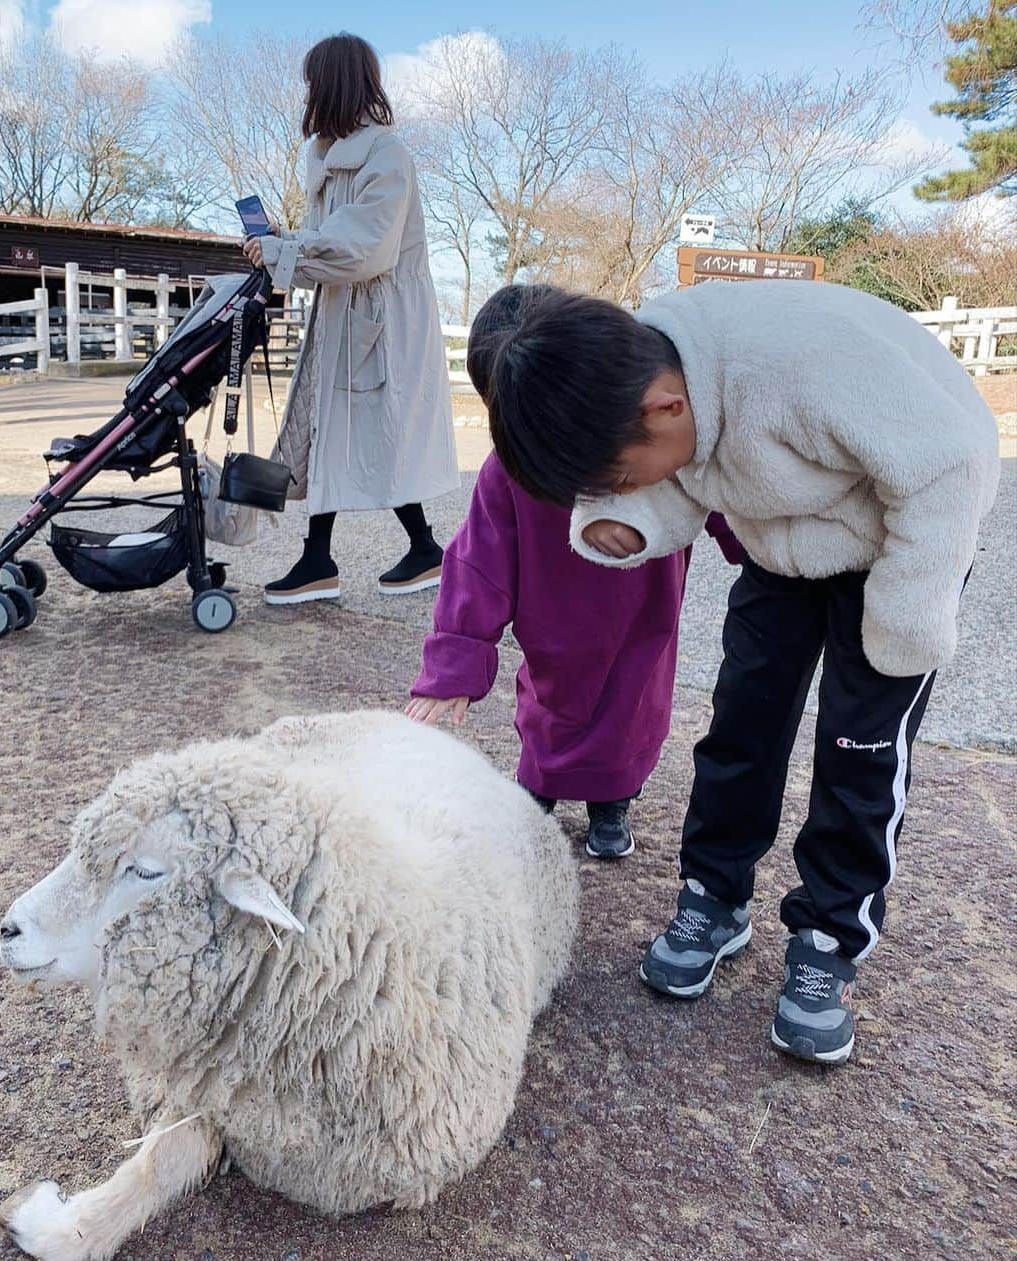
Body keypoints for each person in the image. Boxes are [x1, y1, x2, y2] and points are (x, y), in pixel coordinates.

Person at [485, 280, 999, 1066]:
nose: (624, 490)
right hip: (781, 547)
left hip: (902, 544)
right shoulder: (648, 379)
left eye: (621, 479)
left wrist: (906, 620)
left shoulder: (803, 366)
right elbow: (681, 477)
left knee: (860, 752)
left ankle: (830, 937)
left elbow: (950, 464)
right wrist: (628, 518)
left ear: (664, 409)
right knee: (741, 726)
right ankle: (714, 896)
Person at [406, 285, 743, 860]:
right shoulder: (507, 473)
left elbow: (723, 497)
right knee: (549, 711)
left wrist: (768, 551)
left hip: (641, 617)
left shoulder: (647, 439)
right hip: (553, 621)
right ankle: (537, 791)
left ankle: (612, 805)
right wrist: (454, 663)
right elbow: (477, 561)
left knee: (630, 715)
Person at [243, 33, 458, 604]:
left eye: (315, 81)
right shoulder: (326, 162)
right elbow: (330, 248)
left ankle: (422, 549)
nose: (308, 93)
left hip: (385, 320)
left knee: (377, 430)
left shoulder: (387, 155)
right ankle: (325, 559)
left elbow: (365, 248)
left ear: (334, 83)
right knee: (330, 427)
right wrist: (280, 244)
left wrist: (289, 249)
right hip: (344, 312)